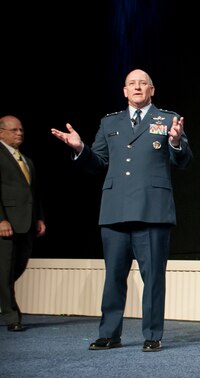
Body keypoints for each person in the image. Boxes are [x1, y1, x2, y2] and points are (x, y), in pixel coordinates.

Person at [51, 69, 192, 352]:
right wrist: (81, 149)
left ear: (152, 90)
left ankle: (152, 334)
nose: (137, 87)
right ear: (124, 91)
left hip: (152, 210)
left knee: (152, 277)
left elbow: (184, 161)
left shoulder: (167, 119)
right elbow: (98, 163)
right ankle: (109, 333)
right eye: (132, 83)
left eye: (143, 83)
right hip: (115, 210)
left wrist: (176, 142)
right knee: (113, 275)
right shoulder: (110, 122)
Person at [0, 115, 46, 332]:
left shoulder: (26, 160)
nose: (19, 133)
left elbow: (33, 193)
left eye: (21, 130)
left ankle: (9, 308)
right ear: (1, 132)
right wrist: (1, 219)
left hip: (25, 223)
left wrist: (39, 217)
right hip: (5, 224)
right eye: (14, 130)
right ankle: (12, 316)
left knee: (17, 268)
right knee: (4, 271)